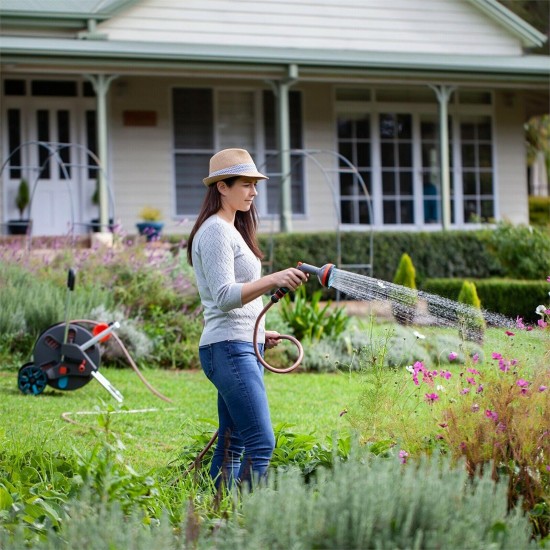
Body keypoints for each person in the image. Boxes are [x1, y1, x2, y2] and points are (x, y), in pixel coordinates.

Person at [186, 148, 307, 489]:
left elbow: (235, 297)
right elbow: (224, 296)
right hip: (227, 349)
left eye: (255, 184)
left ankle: (216, 513)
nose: (254, 191)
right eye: (246, 184)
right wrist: (275, 279)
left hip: (238, 344)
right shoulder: (215, 231)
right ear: (222, 187)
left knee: (233, 443)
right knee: (261, 442)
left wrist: (259, 332)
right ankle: (242, 519)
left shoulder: (231, 228)